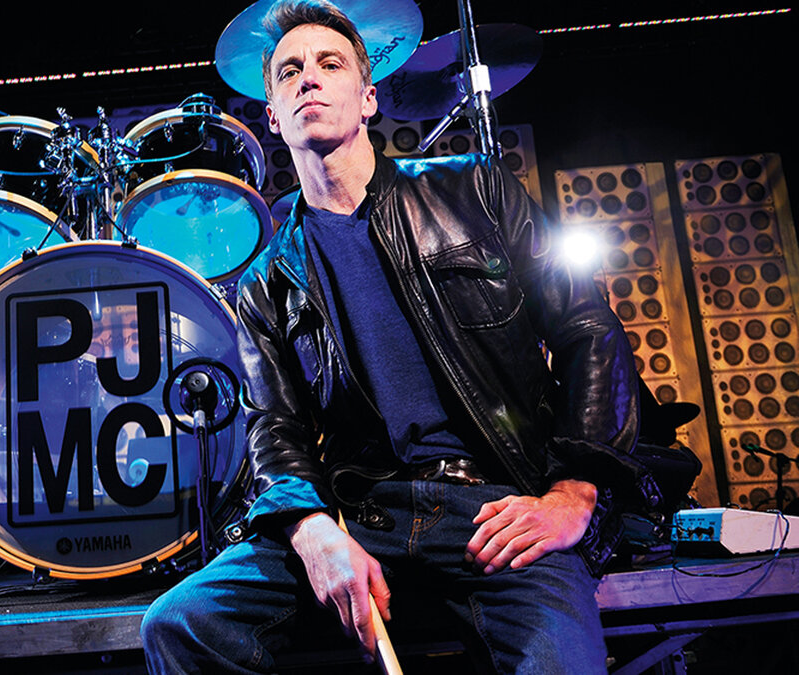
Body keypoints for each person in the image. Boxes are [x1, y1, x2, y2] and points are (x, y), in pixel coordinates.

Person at [141, 1, 657, 672]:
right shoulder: (268, 278)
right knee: (180, 623)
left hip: (496, 507)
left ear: (368, 98)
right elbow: (275, 428)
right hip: (363, 515)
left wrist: (573, 491)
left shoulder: (476, 190)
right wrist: (311, 529)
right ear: (272, 116)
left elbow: (588, 329)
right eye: (289, 71)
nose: (308, 78)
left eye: (330, 64)